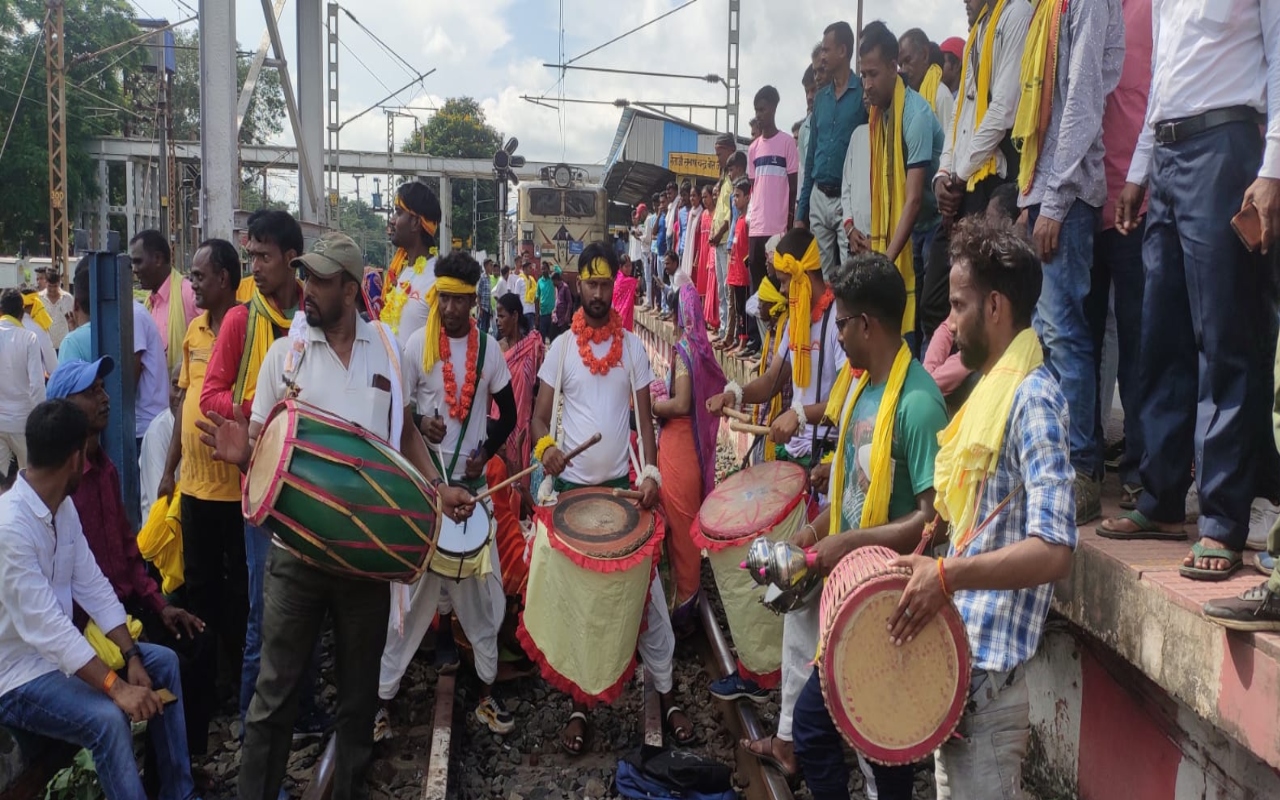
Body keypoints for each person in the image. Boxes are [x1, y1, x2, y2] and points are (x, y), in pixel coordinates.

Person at [196, 232, 473, 800]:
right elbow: (260, 442)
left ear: (350, 290)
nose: (308, 290)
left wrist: (437, 489)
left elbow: (402, 433)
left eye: (320, 281)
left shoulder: (387, 350)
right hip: (295, 558)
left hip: (364, 564)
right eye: (307, 278)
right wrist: (244, 451)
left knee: (357, 702)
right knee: (272, 699)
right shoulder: (285, 354)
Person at [889, 215, 1076, 797]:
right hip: (968, 681)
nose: (949, 319)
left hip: (991, 697)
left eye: (960, 305)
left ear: (995, 308)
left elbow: (1055, 550)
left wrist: (946, 574)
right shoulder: (990, 392)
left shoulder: (1033, 399)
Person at [1099, 0, 1280, 581]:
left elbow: (1279, 60)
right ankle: (1161, 499)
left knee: (1225, 339)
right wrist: (1137, 173)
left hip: (1226, 147)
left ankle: (1223, 519)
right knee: (1162, 335)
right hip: (1170, 154)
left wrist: (1272, 169)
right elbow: (1162, 81)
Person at [790, 252, 948, 799]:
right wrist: (812, 534)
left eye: (840, 324)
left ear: (865, 325)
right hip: (851, 591)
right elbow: (854, 492)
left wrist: (848, 543)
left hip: (888, 602)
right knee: (855, 737)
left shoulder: (919, 403)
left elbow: (933, 520)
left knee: (875, 745)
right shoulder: (863, 388)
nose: (836, 337)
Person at [529, 242, 695, 754]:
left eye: (607, 285)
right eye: (592, 284)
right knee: (584, 610)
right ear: (578, 285)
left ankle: (665, 696)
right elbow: (537, 419)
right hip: (574, 497)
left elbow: (645, 425)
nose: (599, 294)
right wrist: (547, 448)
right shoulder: (559, 350)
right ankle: (581, 706)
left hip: (624, 499)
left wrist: (649, 473)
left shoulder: (634, 352)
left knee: (647, 604)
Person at [0, 399, 200, 800]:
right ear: (75, 459)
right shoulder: (10, 526)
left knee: (163, 662)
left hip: (59, 661)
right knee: (109, 718)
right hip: (18, 677)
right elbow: (48, 628)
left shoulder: (63, 508)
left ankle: (180, 792)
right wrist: (116, 686)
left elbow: (93, 585)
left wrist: (132, 656)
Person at [706, 229, 847, 761]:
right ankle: (796, 723)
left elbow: (845, 396)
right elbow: (773, 380)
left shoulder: (836, 322)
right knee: (794, 606)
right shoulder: (795, 319)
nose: (784, 291)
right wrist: (735, 392)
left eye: (787, 280)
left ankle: (798, 730)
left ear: (804, 274)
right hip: (795, 469)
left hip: (826, 471)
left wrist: (803, 415)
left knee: (804, 609)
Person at [378, 251, 518, 739]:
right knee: (410, 605)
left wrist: (486, 451)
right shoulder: (417, 345)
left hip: (473, 496)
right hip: (427, 493)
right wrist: (422, 423)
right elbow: (396, 413)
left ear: (473, 302)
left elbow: (510, 413)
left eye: (461, 301)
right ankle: (383, 703)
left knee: (482, 603)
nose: (453, 309)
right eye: (446, 300)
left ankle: (485, 695)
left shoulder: (490, 352)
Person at [47, 358, 213, 755]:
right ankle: (166, 772)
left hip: (123, 604)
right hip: (93, 618)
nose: (105, 399)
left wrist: (158, 604)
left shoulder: (104, 469)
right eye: (92, 392)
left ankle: (182, 767)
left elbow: (127, 550)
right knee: (174, 665)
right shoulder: (63, 484)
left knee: (198, 641)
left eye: (103, 389)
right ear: (66, 408)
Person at [198, 209, 317, 728]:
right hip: (262, 487)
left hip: (311, 486)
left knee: (311, 608)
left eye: (264, 258)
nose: (256, 268)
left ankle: (306, 711)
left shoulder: (319, 319)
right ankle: (256, 723)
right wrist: (252, 411)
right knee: (262, 614)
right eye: (251, 257)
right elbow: (209, 394)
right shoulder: (242, 322)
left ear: (293, 261)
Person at [1014, 0, 1124, 525]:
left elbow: (1081, 101)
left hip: (1069, 195)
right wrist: (1028, 199)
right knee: (1046, 335)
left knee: (1065, 335)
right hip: (1044, 191)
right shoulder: (1046, 10)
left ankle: (1081, 470)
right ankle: (1056, 462)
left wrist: (1052, 201)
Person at [158, 239, 249, 691]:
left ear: (224, 279)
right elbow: (183, 408)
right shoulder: (194, 333)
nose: (192, 283)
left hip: (236, 490)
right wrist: (168, 470)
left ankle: (236, 677)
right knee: (201, 587)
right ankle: (208, 680)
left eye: (199, 275)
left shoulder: (250, 329)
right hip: (194, 488)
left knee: (238, 589)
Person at [926, 0, 1032, 345]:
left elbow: (1002, 109)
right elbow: (960, 116)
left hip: (997, 178)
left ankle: (980, 388)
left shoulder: (1016, 14)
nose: (964, 2)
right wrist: (943, 175)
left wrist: (958, 174)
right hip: (965, 179)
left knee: (982, 300)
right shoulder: (979, 31)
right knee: (936, 302)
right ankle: (951, 388)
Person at [860, 21, 945, 354]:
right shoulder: (879, 116)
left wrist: (885, 261)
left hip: (935, 225)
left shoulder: (915, 115)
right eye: (863, 75)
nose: (866, 84)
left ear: (894, 67)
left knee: (928, 314)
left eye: (873, 74)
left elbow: (911, 201)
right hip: (910, 230)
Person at [653, 281, 727, 629]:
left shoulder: (684, 349)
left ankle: (683, 601)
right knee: (686, 523)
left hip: (679, 445)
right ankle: (688, 594)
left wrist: (653, 404)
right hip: (693, 450)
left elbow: (681, 403)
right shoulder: (703, 349)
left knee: (679, 526)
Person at [59, 260, 169, 451]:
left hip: (140, 427)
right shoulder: (128, 314)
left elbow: (126, 380)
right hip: (142, 424)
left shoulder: (130, 315)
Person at [798, 22, 869, 278]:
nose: (823, 56)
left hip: (846, 199)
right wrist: (801, 212)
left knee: (850, 272)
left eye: (827, 50)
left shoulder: (863, 93)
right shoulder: (820, 99)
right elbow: (811, 156)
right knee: (824, 278)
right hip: (819, 195)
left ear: (843, 50)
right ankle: (829, 320)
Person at [495, 292, 545, 503]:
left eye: (502, 316)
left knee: (521, 489)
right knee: (501, 485)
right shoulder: (496, 350)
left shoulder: (532, 347)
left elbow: (539, 387)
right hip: (499, 424)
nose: (497, 321)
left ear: (515, 316)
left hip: (523, 426)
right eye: (496, 317)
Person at [381, 180, 444, 344]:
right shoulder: (403, 272)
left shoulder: (438, 279)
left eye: (398, 212)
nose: (392, 220)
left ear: (416, 222)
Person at [131, 229, 198, 371]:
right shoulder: (149, 304)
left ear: (157, 259)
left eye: (138, 262)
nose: (134, 270)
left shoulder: (189, 294)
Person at [0, 290, 45, 483]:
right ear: (21, 313)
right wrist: (41, 421)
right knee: (31, 482)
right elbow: (37, 385)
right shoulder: (29, 338)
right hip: (23, 422)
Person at [139, 363, 180, 518]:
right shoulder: (157, 432)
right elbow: (161, 501)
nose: (179, 395)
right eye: (175, 386)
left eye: (187, 387)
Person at [899, 29, 955, 140]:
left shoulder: (941, 96)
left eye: (908, 60)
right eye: (900, 64)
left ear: (924, 55)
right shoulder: (906, 99)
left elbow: (949, 146)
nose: (903, 70)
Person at [709, 134, 739, 342]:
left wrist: (719, 232)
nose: (717, 159)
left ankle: (732, 332)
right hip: (719, 242)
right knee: (722, 288)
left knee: (729, 290)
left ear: (730, 151)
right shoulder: (723, 180)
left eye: (719, 154)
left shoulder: (734, 180)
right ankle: (723, 329)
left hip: (727, 240)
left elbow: (732, 211)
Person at [724, 178, 753, 354]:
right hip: (734, 272)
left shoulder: (748, 221)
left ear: (748, 197)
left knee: (743, 309)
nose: (735, 200)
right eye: (734, 196)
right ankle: (738, 339)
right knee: (737, 307)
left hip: (743, 274)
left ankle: (744, 341)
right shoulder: (739, 220)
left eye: (738, 196)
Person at [39, 266, 74, 350]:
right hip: (45, 347)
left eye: (55, 286)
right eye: (50, 286)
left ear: (59, 283)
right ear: (45, 282)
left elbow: (73, 323)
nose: (53, 289)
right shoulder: (39, 299)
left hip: (64, 346)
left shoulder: (67, 298)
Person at [613, 255, 639, 331]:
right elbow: (635, 284)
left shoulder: (621, 278)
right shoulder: (624, 280)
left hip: (625, 313)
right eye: (626, 266)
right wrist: (637, 282)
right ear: (620, 267)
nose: (629, 269)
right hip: (621, 314)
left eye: (630, 265)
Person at [537, 262, 556, 341]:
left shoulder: (552, 279)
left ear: (548, 269)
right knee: (542, 338)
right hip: (543, 314)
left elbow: (559, 271)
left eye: (545, 268)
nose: (543, 270)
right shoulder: (539, 282)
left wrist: (553, 265)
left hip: (551, 313)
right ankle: (543, 353)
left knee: (552, 337)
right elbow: (537, 297)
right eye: (542, 269)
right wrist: (537, 313)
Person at [521, 260, 539, 333]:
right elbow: (517, 296)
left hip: (531, 310)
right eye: (529, 268)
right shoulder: (520, 280)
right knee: (524, 333)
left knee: (530, 333)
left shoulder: (532, 280)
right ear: (524, 269)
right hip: (524, 311)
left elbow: (535, 295)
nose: (531, 269)